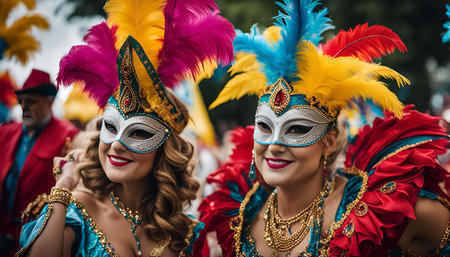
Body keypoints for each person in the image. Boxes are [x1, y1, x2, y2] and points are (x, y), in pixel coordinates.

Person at [198, 0, 450, 256]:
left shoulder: (375, 209)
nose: (274, 145)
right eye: (264, 126)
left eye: (296, 129)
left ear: (328, 141)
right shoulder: (241, 213)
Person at [16, 0, 235, 256]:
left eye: (140, 132)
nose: (117, 144)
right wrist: (63, 187)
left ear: (165, 149)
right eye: (111, 127)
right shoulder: (75, 211)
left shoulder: (185, 233)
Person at [0, 69, 78, 257]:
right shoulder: (5, 133)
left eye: (32, 101)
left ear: (50, 101)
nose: (24, 107)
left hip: (35, 236)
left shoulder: (69, 136)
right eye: (21, 101)